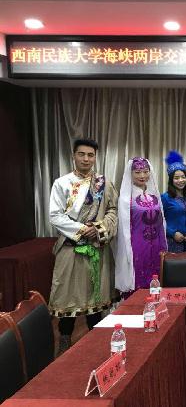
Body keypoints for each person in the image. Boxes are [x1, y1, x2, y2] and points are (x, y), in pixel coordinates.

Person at [48, 138, 118, 353]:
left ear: (95, 157)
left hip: (97, 249)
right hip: (70, 250)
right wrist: (81, 230)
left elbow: (113, 211)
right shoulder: (62, 183)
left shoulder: (103, 183)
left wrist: (98, 228)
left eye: (90, 155)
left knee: (95, 301)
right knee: (67, 299)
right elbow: (55, 216)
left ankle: (97, 347)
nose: (86, 159)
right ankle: (64, 343)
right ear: (74, 155)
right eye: (82, 154)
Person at [115, 157, 167, 296]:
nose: (142, 175)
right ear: (130, 174)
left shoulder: (154, 195)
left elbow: (161, 222)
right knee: (138, 276)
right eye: (137, 172)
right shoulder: (126, 198)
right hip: (137, 244)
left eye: (145, 171)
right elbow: (123, 228)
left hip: (157, 243)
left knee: (157, 275)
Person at [161, 151, 186, 253]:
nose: (180, 180)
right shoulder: (165, 198)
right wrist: (172, 233)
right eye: (176, 178)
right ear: (171, 180)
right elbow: (158, 221)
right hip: (171, 242)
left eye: (183, 177)